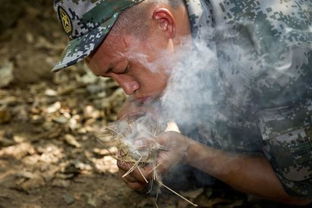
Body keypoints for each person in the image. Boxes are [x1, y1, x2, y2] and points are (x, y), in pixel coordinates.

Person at [52, 0, 312, 205]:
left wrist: (190, 152)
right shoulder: (182, 23)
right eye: (109, 76)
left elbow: (300, 191)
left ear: (164, 23)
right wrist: (151, 123)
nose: (127, 89)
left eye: (124, 68)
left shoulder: (278, 52)